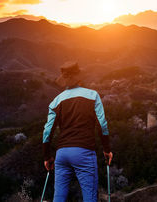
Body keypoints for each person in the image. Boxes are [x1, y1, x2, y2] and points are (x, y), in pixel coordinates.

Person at [42, 61, 113, 201]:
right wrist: (106, 149)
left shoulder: (56, 101)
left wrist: (46, 156)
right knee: (90, 196)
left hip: (61, 154)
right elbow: (102, 124)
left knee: (59, 197)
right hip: (84, 152)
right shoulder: (93, 96)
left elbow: (47, 132)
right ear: (79, 77)